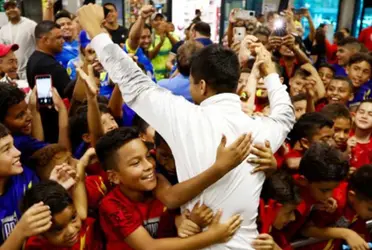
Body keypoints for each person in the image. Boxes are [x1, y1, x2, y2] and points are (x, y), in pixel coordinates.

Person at [77, 4, 295, 248]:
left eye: (190, 83)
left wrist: (96, 31)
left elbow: (133, 82)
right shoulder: (260, 131)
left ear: (201, 86)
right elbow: (286, 115)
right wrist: (270, 73)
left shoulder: (185, 118)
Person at [96, 127, 250, 249]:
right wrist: (213, 236)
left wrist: (188, 222)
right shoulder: (111, 205)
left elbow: (174, 208)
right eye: (136, 163)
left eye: (148, 156)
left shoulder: (157, 184)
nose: (149, 165)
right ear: (114, 177)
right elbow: (150, 247)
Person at [276, 143, 349, 249]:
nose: (330, 195)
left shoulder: (311, 188)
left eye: (333, 189)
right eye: (324, 190)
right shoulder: (291, 202)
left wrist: (316, 205)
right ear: (303, 181)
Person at [302, 165, 372, 250]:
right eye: (370, 209)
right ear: (352, 196)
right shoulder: (331, 201)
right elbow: (305, 230)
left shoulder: (360, 207)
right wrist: (346, 233)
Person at [22, 180, 103, 250]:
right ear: (40, 234)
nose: (71, 231)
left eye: (73, 217)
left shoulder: (89, 229)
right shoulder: (35, 247)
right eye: (58, 229)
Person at [26, 21, 71, 143]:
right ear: (45, 40)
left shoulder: (35, 59)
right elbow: (71, 93)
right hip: (54, 128)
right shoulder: (46, 65)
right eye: (58, 37)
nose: (63, 41)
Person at [0, 123, 42, 246]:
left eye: (13, 145)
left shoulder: (25, 177)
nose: (17, 152)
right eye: (6, 149)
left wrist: (55, 186)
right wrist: (20, 231)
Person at [0, 0, 37, 80]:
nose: (10, 10)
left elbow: (39, 44)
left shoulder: (31, 25)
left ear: (19, 8)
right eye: (7, 9)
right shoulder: (3, 29)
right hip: (11, 72)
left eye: (13, 7)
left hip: (29, 70)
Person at [149, 12, 179, 81]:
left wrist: (168, 35)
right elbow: (150, 56)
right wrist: (161, 42)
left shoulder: (172, 35)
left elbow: (179, 48)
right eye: (156, 20)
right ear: (151, 24)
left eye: (161, 19)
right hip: (156, 78)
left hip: (171, 76)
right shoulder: (150, 38)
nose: (159, 22)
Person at [349, 100, 372, 171]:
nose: (364, 116)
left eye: (371, 114)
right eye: (361, 112)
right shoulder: (343, 137)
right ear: (354, 115)